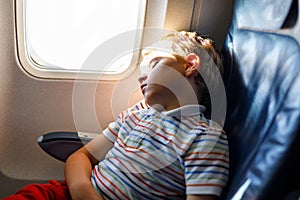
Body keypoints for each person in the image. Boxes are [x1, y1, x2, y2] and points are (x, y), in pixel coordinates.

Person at [3, 31, 229, 200]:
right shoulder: (137, 113)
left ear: (190, 65)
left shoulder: (205, 137)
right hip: (72, 192)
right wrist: (83, 191)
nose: (141, 79)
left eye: (153, 65)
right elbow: (80, 158)